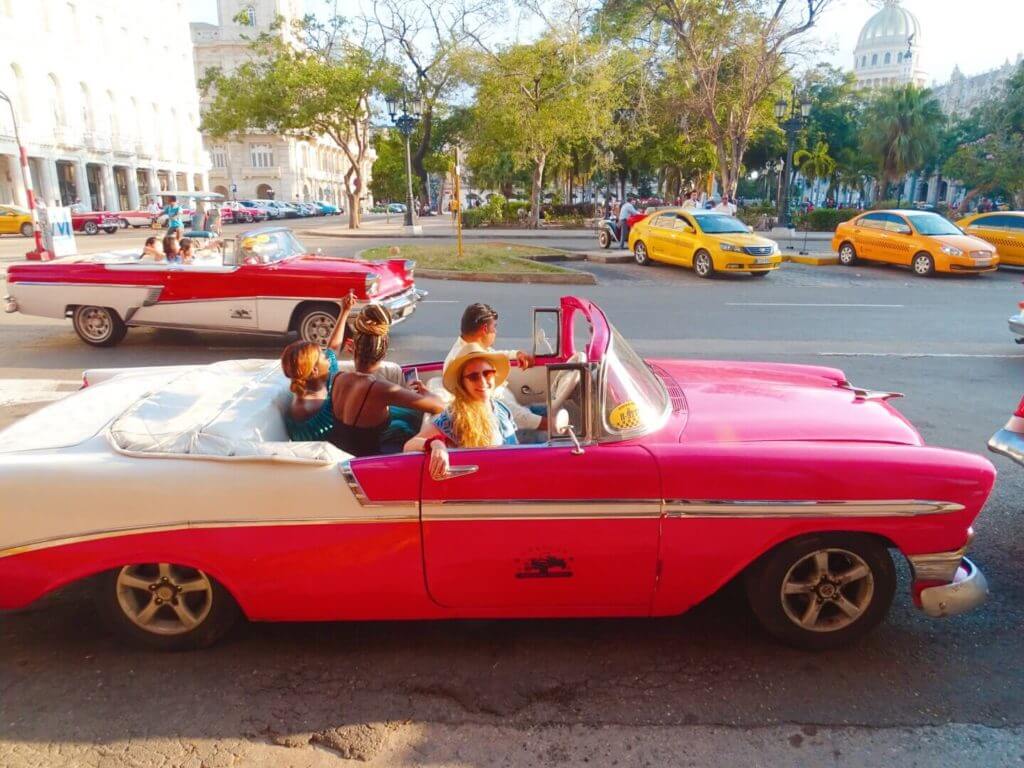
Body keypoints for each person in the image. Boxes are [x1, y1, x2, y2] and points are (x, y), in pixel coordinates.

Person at [328, 304, 444, 457]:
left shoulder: (337, 378)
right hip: (366, 465)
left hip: (339, 457)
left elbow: (331, 350)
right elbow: (438, 406)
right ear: (383, 353)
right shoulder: (382, 389)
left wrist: (344, 311)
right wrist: (426, 392)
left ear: (352, 348)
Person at [404, 344, 517, 480]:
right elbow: (409, 446)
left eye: (487, 373)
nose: (482, 381)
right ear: (462, 383)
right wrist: (436, 444)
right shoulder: (455, 416)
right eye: (473, 377)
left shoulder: (501, 408)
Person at [443, 303, 545, 434]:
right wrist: (548, 424)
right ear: (485, 328)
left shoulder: (472, 350)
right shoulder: (470, 360)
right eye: (494, 327)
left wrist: (516, 354)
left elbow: (493, 354)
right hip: (506, 427)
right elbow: (506, 411)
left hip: (512, 416)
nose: (495, 332)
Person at [281, 293, 356, 442]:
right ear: (315, 370)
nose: (326, 355)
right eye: (322, 355)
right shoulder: (304, 408)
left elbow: (333, 348)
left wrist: (345, 311)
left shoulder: (322, 378)